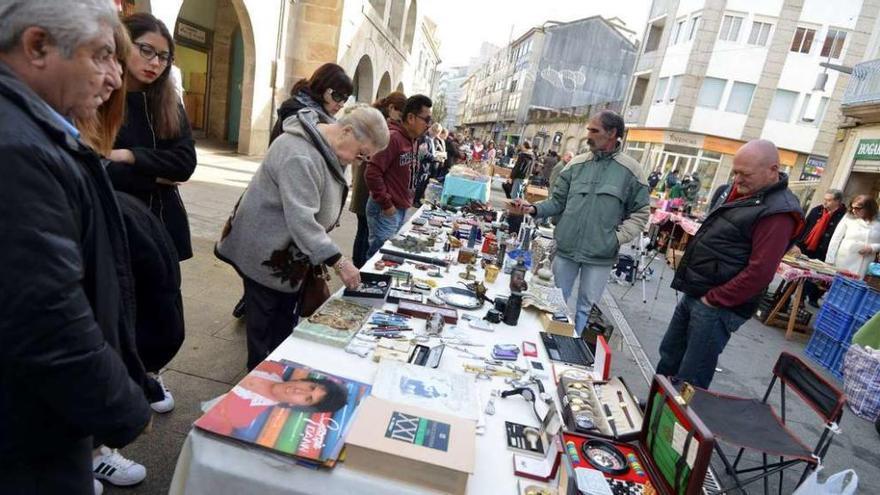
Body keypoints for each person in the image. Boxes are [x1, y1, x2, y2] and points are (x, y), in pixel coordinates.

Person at [0, 2, 152, 493]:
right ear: (37, 46)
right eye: (102, 56)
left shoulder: (34, 132)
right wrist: (123, 409)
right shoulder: (17, 148)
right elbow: (47, 319)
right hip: (26, 435)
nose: (114, 78)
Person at [217, 104, 389, 370]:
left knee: (282, 322)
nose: (360, 163)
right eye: (362, 155)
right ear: (346, 131)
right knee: (265, 328)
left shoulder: (328, 145)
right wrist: (340, 262)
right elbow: (302, 222)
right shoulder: (299, 154)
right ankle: (259, 380)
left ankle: (274, 371)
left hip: (287, 255)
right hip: (265, 253)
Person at [656, 140, 804, 389]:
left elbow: (761, 272)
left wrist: (715, 298)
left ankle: (675, 426)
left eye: (744, 174)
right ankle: (653, 412)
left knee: (691, 378)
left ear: (772, 169)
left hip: (717, 305)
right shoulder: (747, 193)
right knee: (669, 358)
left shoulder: (778, 212)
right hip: (699, 293)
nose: (737, 179)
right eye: (735, 172)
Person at [509, 111, 650, 335]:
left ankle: (571, 346)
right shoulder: (576, 164)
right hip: (567, 247)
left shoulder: (631, 172)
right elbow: (557, 202)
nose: (588, 136)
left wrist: (615, 238)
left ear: (612, 133)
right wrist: (533, 208)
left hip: (600, 254)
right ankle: (546, 340)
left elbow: (641, 213)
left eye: (594, 131)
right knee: (554, 300)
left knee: (585, 307)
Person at [108, 13, 197, 263]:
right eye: (146, 50)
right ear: (123, 44)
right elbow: (99, 170)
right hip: (117, 225)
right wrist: (158, 176)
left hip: (164, 226)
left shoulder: (168, 103)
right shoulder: (99, 97)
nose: (155, 62)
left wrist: (129, 156)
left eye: (163, 56)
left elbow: (185, 163)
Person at [195, 361, 348, 435]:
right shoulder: (273, 367)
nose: (300, 391)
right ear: (305, 380)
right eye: (311, 387)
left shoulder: (242, 417)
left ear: (297, 406)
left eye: (308, 399)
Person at [364, 94, 433, 257]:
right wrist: (387, 204)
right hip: (386, 209)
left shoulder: (414, 140)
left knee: (389, 255)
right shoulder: (393, 138)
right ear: (411, 117)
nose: (428, 125)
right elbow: (372, 173)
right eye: (426, 120)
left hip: (400, 207)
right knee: (379, 257)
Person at [349, 91, 405, 268]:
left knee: (364, 229)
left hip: (366, 181)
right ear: (391, 108)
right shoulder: (380, 125)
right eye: (400, 114)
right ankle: (359, 266)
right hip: (369, 183)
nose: (401, 120)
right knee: (365, 230)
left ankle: (358, 265)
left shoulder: (381, 122)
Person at [269, 63, 352, 143]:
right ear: (322, 87)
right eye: (337, 96)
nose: (341, 104)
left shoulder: (320, 117)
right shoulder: (299, 116)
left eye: (345, 99)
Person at [790, 189, 846, 307]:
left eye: (829, 200)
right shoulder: (817, 210)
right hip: (805, 246)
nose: (825, 202)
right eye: (825, 199)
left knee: (815, 276)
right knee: (797, 273)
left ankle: (807, 297)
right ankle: (789, 297)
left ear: (838, 201)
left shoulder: (844, 215)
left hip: (824, 250)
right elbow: (804, 227)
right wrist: (795, 244)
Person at [825, 194, 880, 279]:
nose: (854, 211)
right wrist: (829, 261)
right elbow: (835, 239)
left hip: (865, 265)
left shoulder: (878, 222)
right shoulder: (848, 217)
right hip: (843, 261)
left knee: (856, 289)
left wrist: (873, 248)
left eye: (858, 208)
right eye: (852, 207)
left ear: (868, 208)